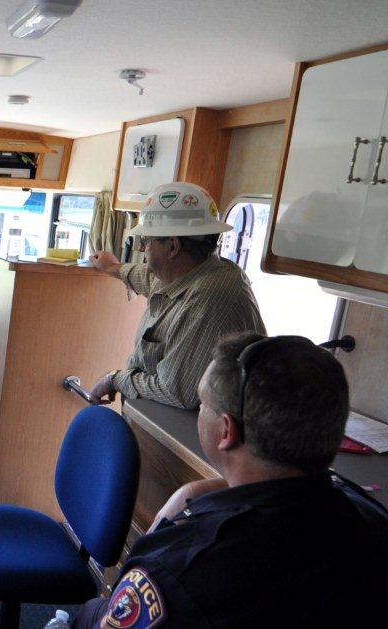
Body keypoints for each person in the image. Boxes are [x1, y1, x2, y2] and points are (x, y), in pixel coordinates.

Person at [73, 333, 386, 627]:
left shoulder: (176, 571)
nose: (199, 410)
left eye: (203, 404)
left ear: (226, 431)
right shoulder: (370, 522)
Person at [88, 182, 265, 409]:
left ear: (172, 247)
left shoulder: (208, 299)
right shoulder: (188, 273)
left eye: (147, 241)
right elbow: (147, 278)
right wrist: (113, 267)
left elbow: (175, 390)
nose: (142, 249)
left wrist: (114, 379)